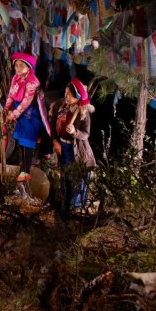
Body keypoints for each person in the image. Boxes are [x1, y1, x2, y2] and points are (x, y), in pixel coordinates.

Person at [50, 78, 97, 214]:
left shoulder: (83, 112)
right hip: (62, 148)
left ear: (77, 97)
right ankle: (65, 202)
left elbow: (86, 134)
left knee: (77, 176)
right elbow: (53, 125)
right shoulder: (61, 107)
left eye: (69, 94)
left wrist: (75, 132)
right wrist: (55, 140)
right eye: (65, 93)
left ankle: (75, 205)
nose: (66, 96)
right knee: (64, 174)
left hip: (76, 150)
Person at [5, 53, 50, 183]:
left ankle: (26, 170)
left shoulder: (33, 82)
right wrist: (6, 109)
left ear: (29, 67)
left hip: (30, 114)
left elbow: (26, 102)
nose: (18, 68)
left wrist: (13, 115)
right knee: (19, 138)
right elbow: (11, 95)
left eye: (21, 66)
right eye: (16, 65)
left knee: (27, 135)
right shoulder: (15, 78)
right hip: (18, 111)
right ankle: (22, 163)